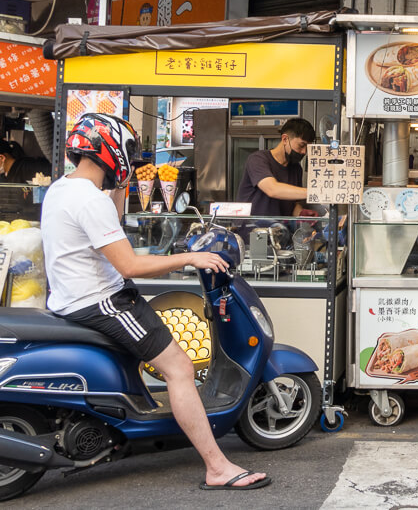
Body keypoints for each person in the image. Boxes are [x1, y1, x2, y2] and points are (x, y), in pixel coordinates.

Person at [41, 113, 270, 491]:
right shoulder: (86, 200)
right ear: (111, 150)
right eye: (129, 153)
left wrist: (119, 186)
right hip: (103, 300)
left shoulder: (63, 189)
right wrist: (189, 257)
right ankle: (217, 467)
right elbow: (131, 264)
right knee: (179, 367)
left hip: (72, 297)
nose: (131, 161)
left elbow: (107, 227)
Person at [237, 117, 316, 217]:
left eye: (307, 148)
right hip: (252, 230)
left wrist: (301, 213)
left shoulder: (296, 169)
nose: (304, 152)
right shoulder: (258, 159)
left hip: (280, 230)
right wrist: (315, 192)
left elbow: (293, 204)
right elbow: (272, 189)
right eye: (301, 146)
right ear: (285, 139)